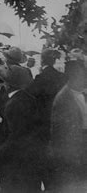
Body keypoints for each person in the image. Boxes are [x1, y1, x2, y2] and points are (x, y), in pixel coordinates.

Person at [0, 64, 42, 192]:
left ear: (8, 85)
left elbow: (16, 136)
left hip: (17, 161)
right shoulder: (28, 98)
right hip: (31, 156)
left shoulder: (13, 104)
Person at [26, 48, 66, 189]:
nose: (64, 62)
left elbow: (29, 98)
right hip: (61, 126)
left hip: (43, 127)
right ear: (55, 60)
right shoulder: (64, 78)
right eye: (62, 59)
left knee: (46, 165)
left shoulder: (40, 78)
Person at [51, 51, 87, 190]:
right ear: (73, 77)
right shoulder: (63, 99)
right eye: (83, 76)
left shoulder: (83, 93)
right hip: (73, 154)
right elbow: (60, 134)